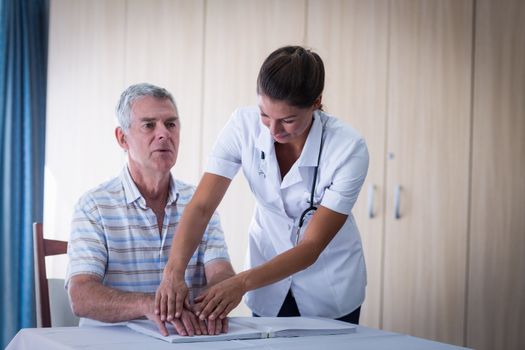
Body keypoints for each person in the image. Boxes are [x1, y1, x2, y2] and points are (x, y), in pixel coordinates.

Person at [155, 46, 369, 325]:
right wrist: (173, 273)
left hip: (328, 285)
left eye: (288, 120)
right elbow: (202, 206)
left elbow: (312, 245)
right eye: (265, 114)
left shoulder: (347, 149)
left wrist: (241, 282)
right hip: (268, 286)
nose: (273, 131)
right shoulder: (241, 126)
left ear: (316, 102)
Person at [66, 83, 235, 337]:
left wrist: (216, 300)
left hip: (185, 341)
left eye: (171, 124)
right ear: (122, 138)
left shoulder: (199, 202)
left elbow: (220, 272)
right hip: (112, 343)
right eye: (149, 125)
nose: (164, 134)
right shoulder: (94, 206)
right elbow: (80, 296)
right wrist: (150, 304)